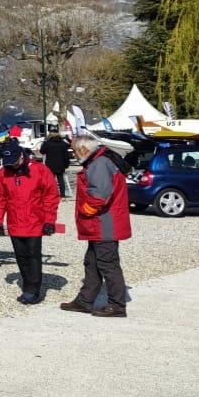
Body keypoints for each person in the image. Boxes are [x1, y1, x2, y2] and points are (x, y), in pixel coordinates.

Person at [60, 133, 132, 318]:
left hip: (104, 224)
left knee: (108, 264)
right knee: (92, 262)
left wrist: (84, 210)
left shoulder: (99, 163)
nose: (74, 155)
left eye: (75, 150)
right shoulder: (101, 160)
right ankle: (85, 301)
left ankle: (117, 305)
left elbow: (99, 196)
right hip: (101, 223)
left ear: (84, 149)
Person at [0, 139, 60, 304]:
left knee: (33, 256)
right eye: (9, 163)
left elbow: (51, 196)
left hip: (34, 221)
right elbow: (0, 198)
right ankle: (28, 284)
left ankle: (33, 289)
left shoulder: (39, 170)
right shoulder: (4, 173)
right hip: (15, 221)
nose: (12, 165)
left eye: (14, 162)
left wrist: (49, 220)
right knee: (21, 256)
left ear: (22, 156)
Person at [38, 132, 73, 198]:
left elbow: (42, 151)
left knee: (51, 180)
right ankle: (62, 194)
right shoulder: (62, 143)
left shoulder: (47, 143)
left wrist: (44, 143)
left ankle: (52, 194)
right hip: (60, 164)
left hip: (50, 164)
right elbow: (66, 155)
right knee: (61, 180)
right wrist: (66, 164)